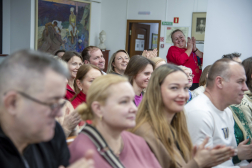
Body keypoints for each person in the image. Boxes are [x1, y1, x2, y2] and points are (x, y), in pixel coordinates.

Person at [0, 49, 94, 168]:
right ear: (13, 103)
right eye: (51, 104)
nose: (59, 113)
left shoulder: (53, 132)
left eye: (60, 102)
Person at [130, 64, 234, 168]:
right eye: (174, 88)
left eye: (185, 88)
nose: (183, 95)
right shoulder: (144, 134)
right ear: (156, 90)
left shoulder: (176, 126)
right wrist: (197, 163)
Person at [69, 74, 162, 168]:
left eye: (132, 101)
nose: (134, 109)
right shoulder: (83, 151)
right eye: (124, 102)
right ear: (98, 109)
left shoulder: (137, 141)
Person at [185, 58, 252, 167]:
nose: (245, 88)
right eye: (240, 82)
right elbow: (204, 165)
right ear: (219, 82)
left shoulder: (226, 111)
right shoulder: (199, 113)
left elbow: (227, 162)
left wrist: (238, 154)